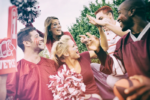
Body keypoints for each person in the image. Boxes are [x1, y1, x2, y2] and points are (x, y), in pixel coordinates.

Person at [82, 0, 150, 99]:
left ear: (132, 12)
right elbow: (116, 68)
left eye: (119, 13)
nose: (118, 18)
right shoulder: (122, 42)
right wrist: (99, 50)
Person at [6, 27, 57, 100]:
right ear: (27, 43)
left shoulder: (53, 64)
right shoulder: (15, 70)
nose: (42, 38)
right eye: (37, 36)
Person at [51, 35, 102, 100]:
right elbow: (63, 96)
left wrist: (93, 44)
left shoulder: (84, 56)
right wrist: (89, 96)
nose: (77, 47)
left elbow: (100, 52)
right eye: (73, 46)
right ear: (66, 53)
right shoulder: (62, 72)